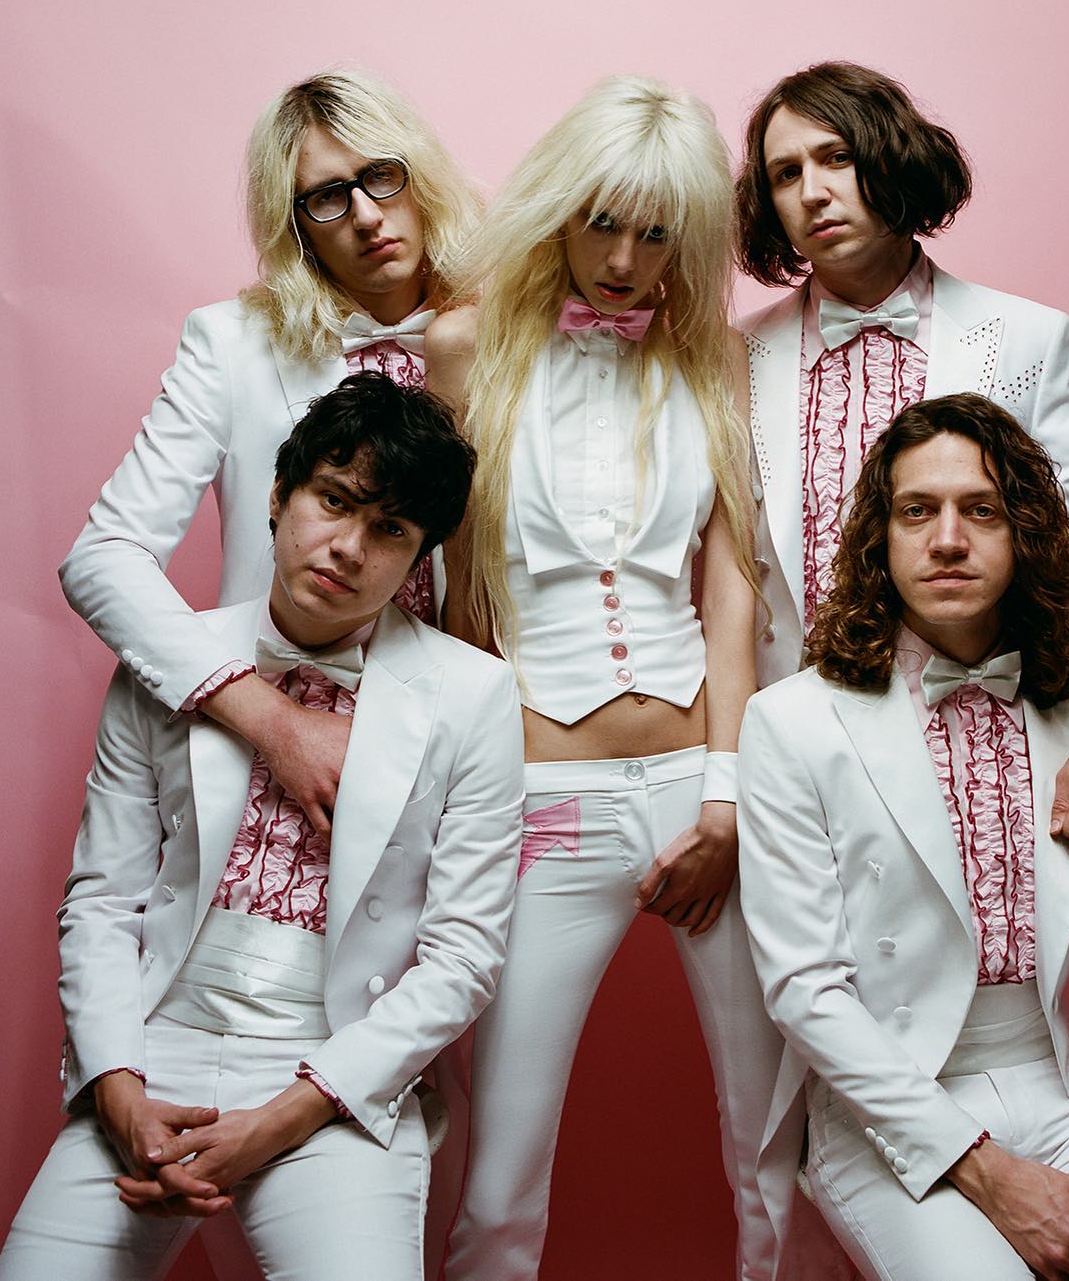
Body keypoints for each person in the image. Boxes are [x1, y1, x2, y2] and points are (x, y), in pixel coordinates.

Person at [0, 375, 523, 1281]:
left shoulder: (473, 695)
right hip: (150, 1054)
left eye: (391, 529)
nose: (348, 547)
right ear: (279, 495)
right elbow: (102, 903)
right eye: (334, 500)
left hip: (332, 1075)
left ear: (419, 558)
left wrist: (284, 1117)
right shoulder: (170, 658)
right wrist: (119, 1094)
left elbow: (463, 956)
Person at [737, 393, 1069, 1281]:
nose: (948, 539)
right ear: (880, 539)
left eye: (980, 511)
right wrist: (990, 1177)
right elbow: (805, 990)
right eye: (918, 511)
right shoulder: (790, 721)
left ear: (1024, 533)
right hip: (889, 1115)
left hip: (1065, 1092)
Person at [428, 76, 790, 1280]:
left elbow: (729, 598)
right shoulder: (466, 350)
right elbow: (462, 606)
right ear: (557, 212)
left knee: (770, 1149)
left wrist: (728, 803)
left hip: (702, 789)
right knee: (498, 1183)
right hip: (543, 799)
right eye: (601, 224)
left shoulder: (715, 361)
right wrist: (469, 800)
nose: (626, 262)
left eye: (657, 233)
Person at [736, 61, 1069, 851]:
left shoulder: (1028, 339)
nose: (813, 192)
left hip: (989, 731)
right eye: (785, 173)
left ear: (892, 159)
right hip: (802, 754)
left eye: (836, 158)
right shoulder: (735, 358)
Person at [60, 67, 479, 841]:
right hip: (274, 751)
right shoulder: (232, 344)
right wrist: (269, 719)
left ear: (419, 177)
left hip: (453, 748)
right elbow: (103, 558)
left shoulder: (507, 336)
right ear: (297, 226)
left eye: (381, 176)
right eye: (327, 196)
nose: (365, 215)